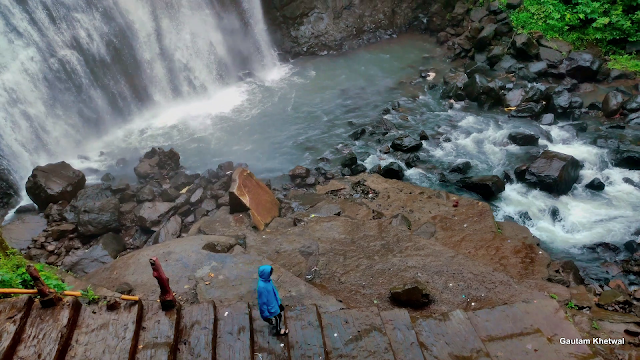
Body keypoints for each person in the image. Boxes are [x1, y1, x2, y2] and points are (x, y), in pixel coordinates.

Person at [257, 265, 288, 335]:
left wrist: (279, 303)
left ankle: (270, 321)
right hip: (271, 307)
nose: (271, 274)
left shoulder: (268, 281)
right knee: (278, 317)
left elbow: (274, 292)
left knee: (278, 316)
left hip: (274, 304)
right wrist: (264, 315)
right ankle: (278, 330)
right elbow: (262, 303)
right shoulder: (262, 287)